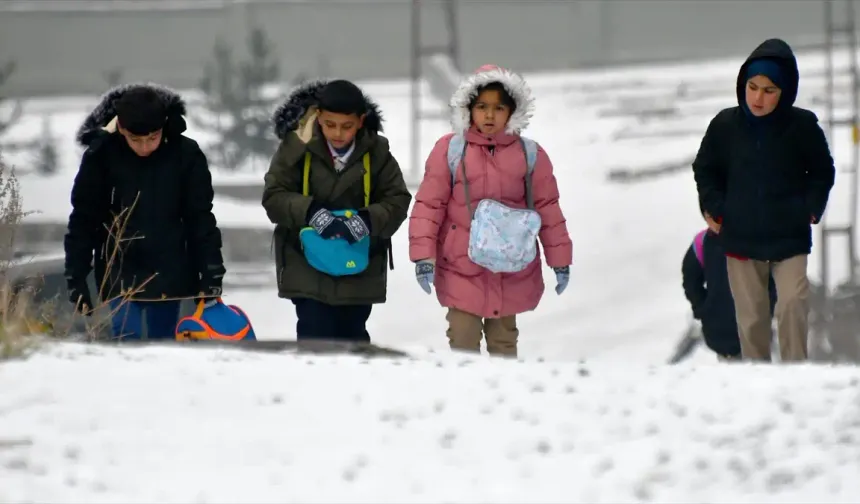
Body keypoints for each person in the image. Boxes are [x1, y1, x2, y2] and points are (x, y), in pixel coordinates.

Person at [408, 64, 573, 358]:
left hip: (510, 266)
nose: (489, 115)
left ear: (512, 111)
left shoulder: (529, 154)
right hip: (461, 265)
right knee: (462, 340)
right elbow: (429, 205)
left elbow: (548, 209)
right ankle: (465, 398)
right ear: (468, 109)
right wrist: (424, 256)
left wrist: (559, 259)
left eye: (498, 108)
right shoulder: (451, 151)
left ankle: (502, 399)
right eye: (482, 106)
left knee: (504, 343)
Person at [692, 38, 836, 362]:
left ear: (785, 92)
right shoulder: (724, 126)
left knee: (792, 305)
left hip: (790, 236)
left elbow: (822, 171)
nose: (758, 97)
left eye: (769, 90)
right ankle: (758, 388)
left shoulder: (803, 127)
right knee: (752, 321)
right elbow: (706, 169)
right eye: (752, 87)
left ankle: (796, 377)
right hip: (740, 237)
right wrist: (713, 207)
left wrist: (811, 208)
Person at [65, 84, 225, 340]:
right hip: (118, 271)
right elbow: (84, 220)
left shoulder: (186, 154)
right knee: (126, 339)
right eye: (136, 140)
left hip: (169, 271)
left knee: (162, 345)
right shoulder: (100, 157)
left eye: (153, 138)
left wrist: (211, 272)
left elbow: (200, 218)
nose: (145, 148)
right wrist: (76, 277)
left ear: (164, 127)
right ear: (121, 130)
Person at [262, 79, 411, 343]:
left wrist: (364, 220)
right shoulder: (296, 147)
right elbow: (274, 196)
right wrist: (312, 213)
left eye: (347, 126)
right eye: (330, 124)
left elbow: (397, 198)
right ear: (318, 116)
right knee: (313, 330)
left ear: (361, 121)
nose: (338, 133)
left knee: (353, 334)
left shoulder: (377, 152)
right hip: (305, 259)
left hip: (358, 260)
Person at [682, 224, 777, 361]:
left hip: (723, 332)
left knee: (734, 373)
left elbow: (690, 280)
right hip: (748, 331)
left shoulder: (704, 240)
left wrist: (703, 309)